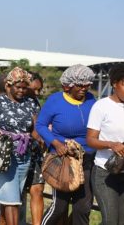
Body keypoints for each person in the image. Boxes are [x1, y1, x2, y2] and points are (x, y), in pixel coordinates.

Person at [36, 64, 96, 225]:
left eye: (87, 85)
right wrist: (56, 143)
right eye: (80, 85)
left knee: (83, 207)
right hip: (63, 159)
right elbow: (41, 125)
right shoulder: (55, 100)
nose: (84, 88)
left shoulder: (91, 100)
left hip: (87, 159)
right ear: (68, 86)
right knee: (59, 207)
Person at [0, 67, 39, 225]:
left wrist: (42, 139)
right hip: (4, 156)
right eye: (18, 87)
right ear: (9, 85)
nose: (21, 90)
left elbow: (35, 130)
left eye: (24, 88)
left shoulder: (31, 103)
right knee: (11, 200)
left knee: (11, 198)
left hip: (24, 157)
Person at [87, 64, 124, 225]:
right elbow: (91, 140)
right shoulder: (101, 106)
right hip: (105, 173)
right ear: (114, 83)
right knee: (110, 221)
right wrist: (111, 145)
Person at [21, 72, 45, 225]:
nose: (37, 93)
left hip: (36, 153)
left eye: (39, 90)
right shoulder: (14, 102)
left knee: (37, 190)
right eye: (34, 89)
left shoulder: (36, 103)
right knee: (19, 192)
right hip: (19, 152)